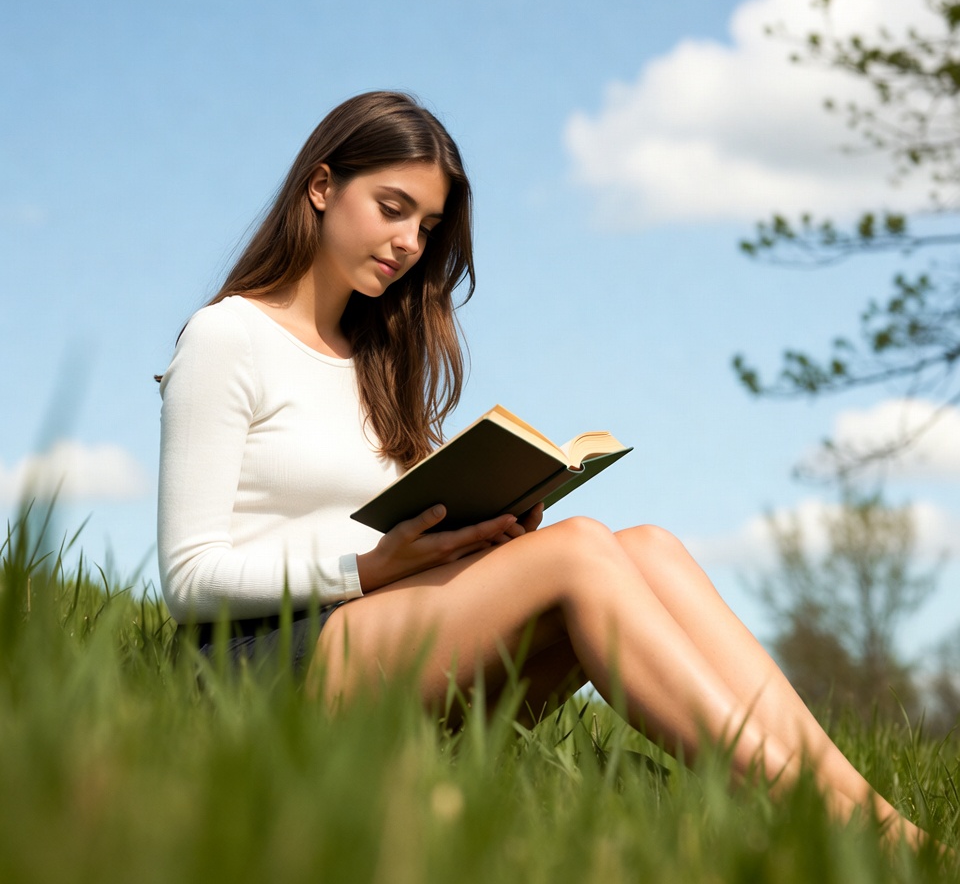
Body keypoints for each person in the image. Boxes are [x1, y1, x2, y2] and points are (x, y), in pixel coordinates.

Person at [158, 90, 928, 849]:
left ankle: (878, 815)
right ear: (321, 187)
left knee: (650, 546)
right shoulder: (229, 336)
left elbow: (400, 536)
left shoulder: (379, 360)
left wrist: (482, 535)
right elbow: (189, 580)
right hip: (263, 664)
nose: (408, 244)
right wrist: (365, 568)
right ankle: (832, 826)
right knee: (580, 548)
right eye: (391, 208)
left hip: (381, 634)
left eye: (426, 227)